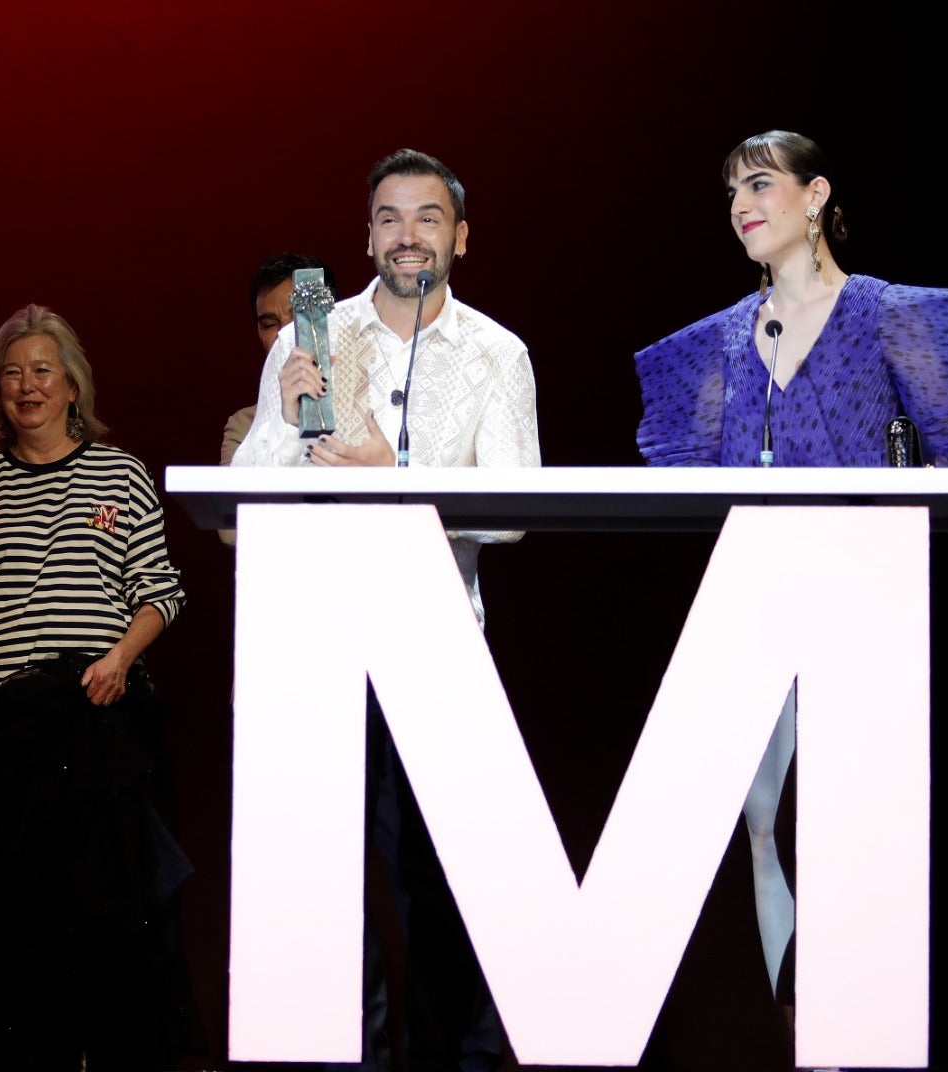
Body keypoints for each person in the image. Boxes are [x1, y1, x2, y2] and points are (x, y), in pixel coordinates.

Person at [632, 129, 948, 1054]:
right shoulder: (721, 340)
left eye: (760, 184)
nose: (741, 205)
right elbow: (690, 479)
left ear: (815, 195)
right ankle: (805, 1031)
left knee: (852, 824)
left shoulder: (883, 314)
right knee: (762, 824)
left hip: (858, 596)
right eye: (730, 193)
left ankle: (863, 1022)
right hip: (754, 596)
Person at [232, 147, 541, 1072]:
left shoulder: (498, 352)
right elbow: (247, 492)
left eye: (428, 218)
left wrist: (398, 480)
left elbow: (517, 513)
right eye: (391, 218)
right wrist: (287, 423)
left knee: (439, 883)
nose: (409, 235)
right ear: (367, 235)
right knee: (323, 882)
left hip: (440, 646)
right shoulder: (309, 338)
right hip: (323, 643)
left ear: (461, 238)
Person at [0, 304, 206, 1071]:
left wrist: (116, 659)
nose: (27, 385)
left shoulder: (120, 472)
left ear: (73, 384)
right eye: (11, 374)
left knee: (110, 922)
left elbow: (162, 591)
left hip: (92, 715)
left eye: (42, 370)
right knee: (5, 929)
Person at [218, 251, 337, 546]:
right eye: (269, 323)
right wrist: (286, 422)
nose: (283, 334)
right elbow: (230, 530)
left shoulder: (371, 404)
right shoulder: (244, 424)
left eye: (297, 316)